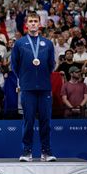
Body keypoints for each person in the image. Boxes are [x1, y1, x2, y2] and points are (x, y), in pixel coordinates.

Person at [11, 12, 56, 162]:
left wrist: (41, 76)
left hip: (44, 88)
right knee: (28, 121)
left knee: (46, 121)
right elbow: (14, 66)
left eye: (35, 21)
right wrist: (24, 79)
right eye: (30, 21)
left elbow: (51, 65)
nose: (33, 24)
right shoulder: (19, 43)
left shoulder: (48, 43)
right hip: (27, 88)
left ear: (39, 24)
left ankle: (46, 152)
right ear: (26, 24)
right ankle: (26, 151)